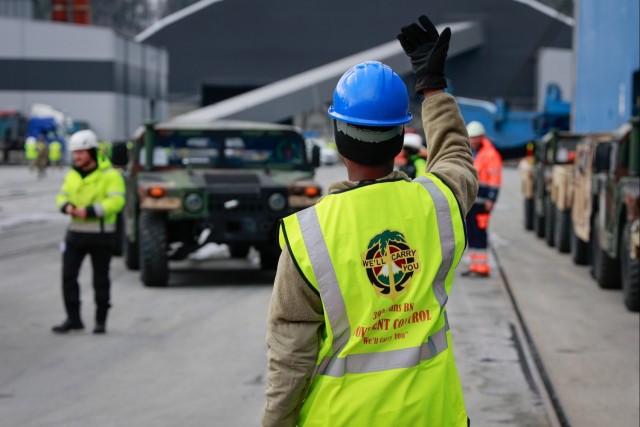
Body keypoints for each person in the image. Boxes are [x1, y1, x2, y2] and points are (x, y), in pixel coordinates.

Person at [262, 14, 478, 427]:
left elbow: (290, 359)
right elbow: (455, 155)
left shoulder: (309, 235)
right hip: (433, 415)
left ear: (339, 134)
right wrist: (433, 89)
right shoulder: (438, 204)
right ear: (400, 137)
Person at [52, 129, 125, 334]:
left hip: (101, 235)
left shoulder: (110, 175)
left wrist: (91, 211)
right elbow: (61, 196)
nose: (77, 157)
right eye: (75, 153)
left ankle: (101, 321)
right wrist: (66, 206)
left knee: (100, 280)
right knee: (68, 277)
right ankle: (73, 319)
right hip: (75, 234)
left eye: (81, 152)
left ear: (92, 152)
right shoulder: (72, 175)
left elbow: (117, 202)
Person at [462, 120, 503, 277]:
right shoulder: (469, 152)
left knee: (479, 233)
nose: (473, 140)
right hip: (470, 202)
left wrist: (491, 200)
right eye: (471, 138)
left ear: (481, 137)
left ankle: (481, 267)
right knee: (471, 233)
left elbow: (495, 179)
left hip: (482, 203)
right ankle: (474, 265)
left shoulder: (490, 155)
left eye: (475, 137)